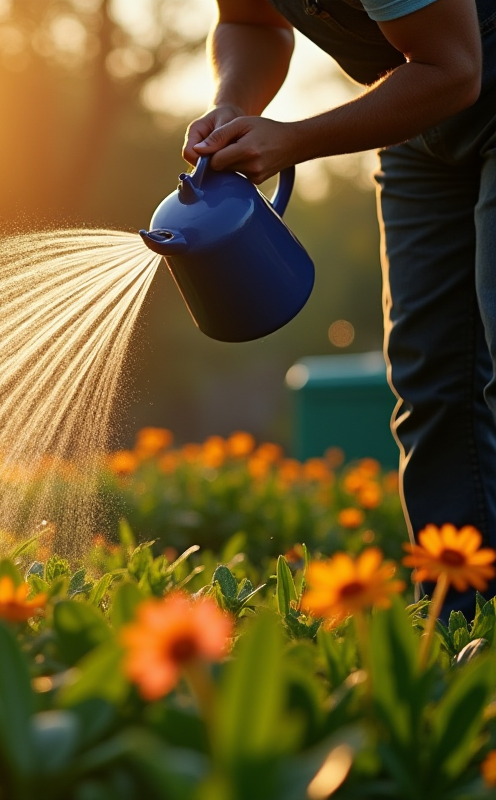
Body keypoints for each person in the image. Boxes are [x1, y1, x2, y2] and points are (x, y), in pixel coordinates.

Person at [185, 0, 493, 613]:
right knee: (431, 378)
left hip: (455, 74)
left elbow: (455, 68)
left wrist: (295, 141)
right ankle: (459, 628)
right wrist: (234, 105)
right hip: (416, 119)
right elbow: (251, 22)